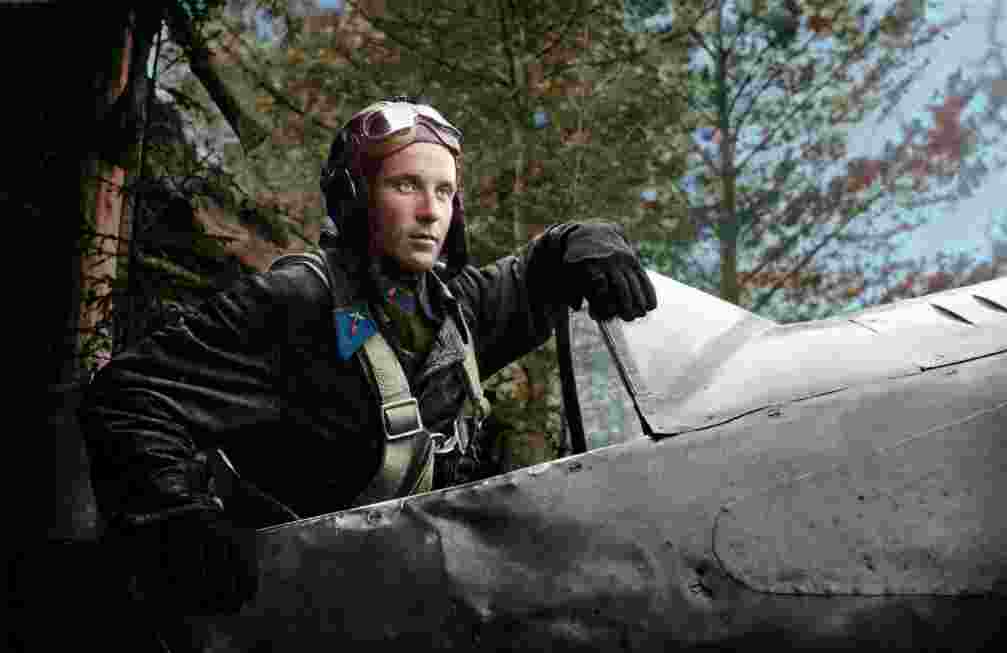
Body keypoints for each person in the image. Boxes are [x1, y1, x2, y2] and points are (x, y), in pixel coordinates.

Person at [78, 97, 657, 618]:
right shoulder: (297, 305)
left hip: (408, 611)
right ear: (355, 198)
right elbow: (130, 396)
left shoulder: (455, 310)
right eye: (406, 186)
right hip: (280, 619)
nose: (431, 211)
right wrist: (175, 520)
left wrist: (587, 240)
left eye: (445, 192)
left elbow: (539, 270)